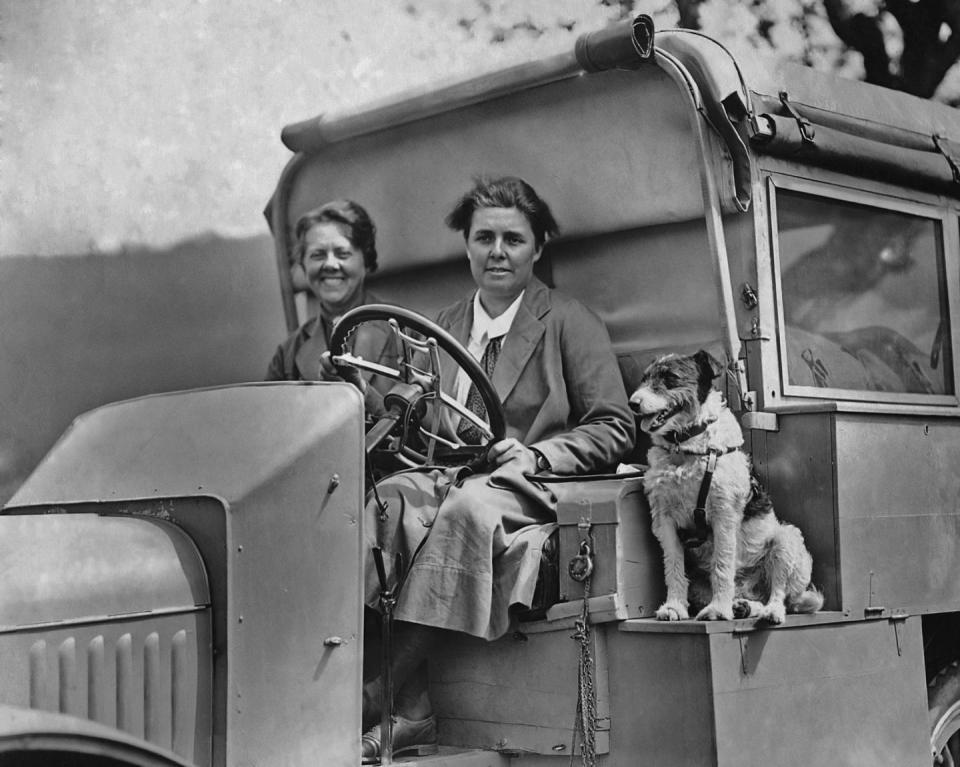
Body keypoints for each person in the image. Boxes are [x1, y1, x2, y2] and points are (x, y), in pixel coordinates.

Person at [359, 176, 635, 761]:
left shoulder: (568, 319)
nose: (497, 252)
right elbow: (411, 411)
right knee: (386, 506)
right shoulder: (443, 326)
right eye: (484, 237)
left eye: (513, 239)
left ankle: (383, 703)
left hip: (532, 482)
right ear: (466, 246)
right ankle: (402, 705)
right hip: (450, 473)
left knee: (467, 512)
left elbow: (614, 426)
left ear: (537, 248)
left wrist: (538, 453)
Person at [265, 199, 397, 415]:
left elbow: (422, 429)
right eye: (317, 255)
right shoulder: (286, 355)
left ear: (366, 260)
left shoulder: (406, 332)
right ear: (303, 265)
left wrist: (362, 392)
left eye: (343, 253)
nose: (330, 264)